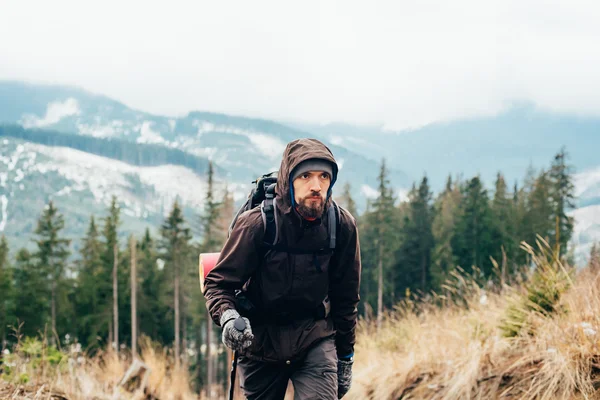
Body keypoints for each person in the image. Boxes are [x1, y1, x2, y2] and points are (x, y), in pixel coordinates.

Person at [204, 138, 361, 400]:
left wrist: (345, 358)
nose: (316, 186)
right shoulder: (257, 224)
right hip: (260, 342)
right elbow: (218, 283)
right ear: (288, 180)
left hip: (314, 338)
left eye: (324, 177)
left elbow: (346, 299)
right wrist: (229, 317)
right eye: (306, 176)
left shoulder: (341, 226)